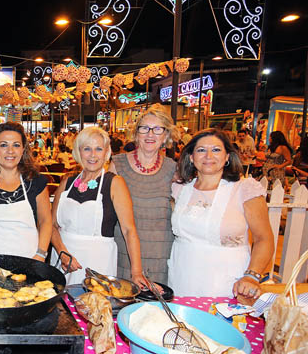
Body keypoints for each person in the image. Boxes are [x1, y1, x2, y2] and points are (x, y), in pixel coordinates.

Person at [168, 129, 273, 299]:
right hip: (182, 279)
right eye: (201, 150)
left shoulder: (245, 189)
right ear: (191, 157)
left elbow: (264, 239)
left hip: (229, 283)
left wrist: (252, 276)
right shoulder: (179, 189)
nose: (208, 156)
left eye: (216, 150)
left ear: (227, 157)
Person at [51, 128, 149, 287]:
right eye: (87, 149)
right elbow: (52, 225)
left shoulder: (115, 183)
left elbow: (129, 230)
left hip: (98, 260)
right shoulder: (66, 182)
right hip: (62, 259)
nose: (93, 155)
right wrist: (62, 251)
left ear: (106, 152)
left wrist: (136, 271)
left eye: (98, 149)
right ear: (78, 151)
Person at [111, 107, 178, 284]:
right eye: (144, 128)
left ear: (166, 136)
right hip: (123, 251)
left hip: (161, 254)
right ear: (135, 133)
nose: (150, 134)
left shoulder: (174, 169)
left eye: (158, 129)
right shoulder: (116, 165)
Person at [0, 122, 52, 260]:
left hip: (29, 259)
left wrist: (41, 253)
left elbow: (45, 221)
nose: (10, 151)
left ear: (23, 149)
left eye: (16, 145)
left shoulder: (35, 181)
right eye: (3, 145)